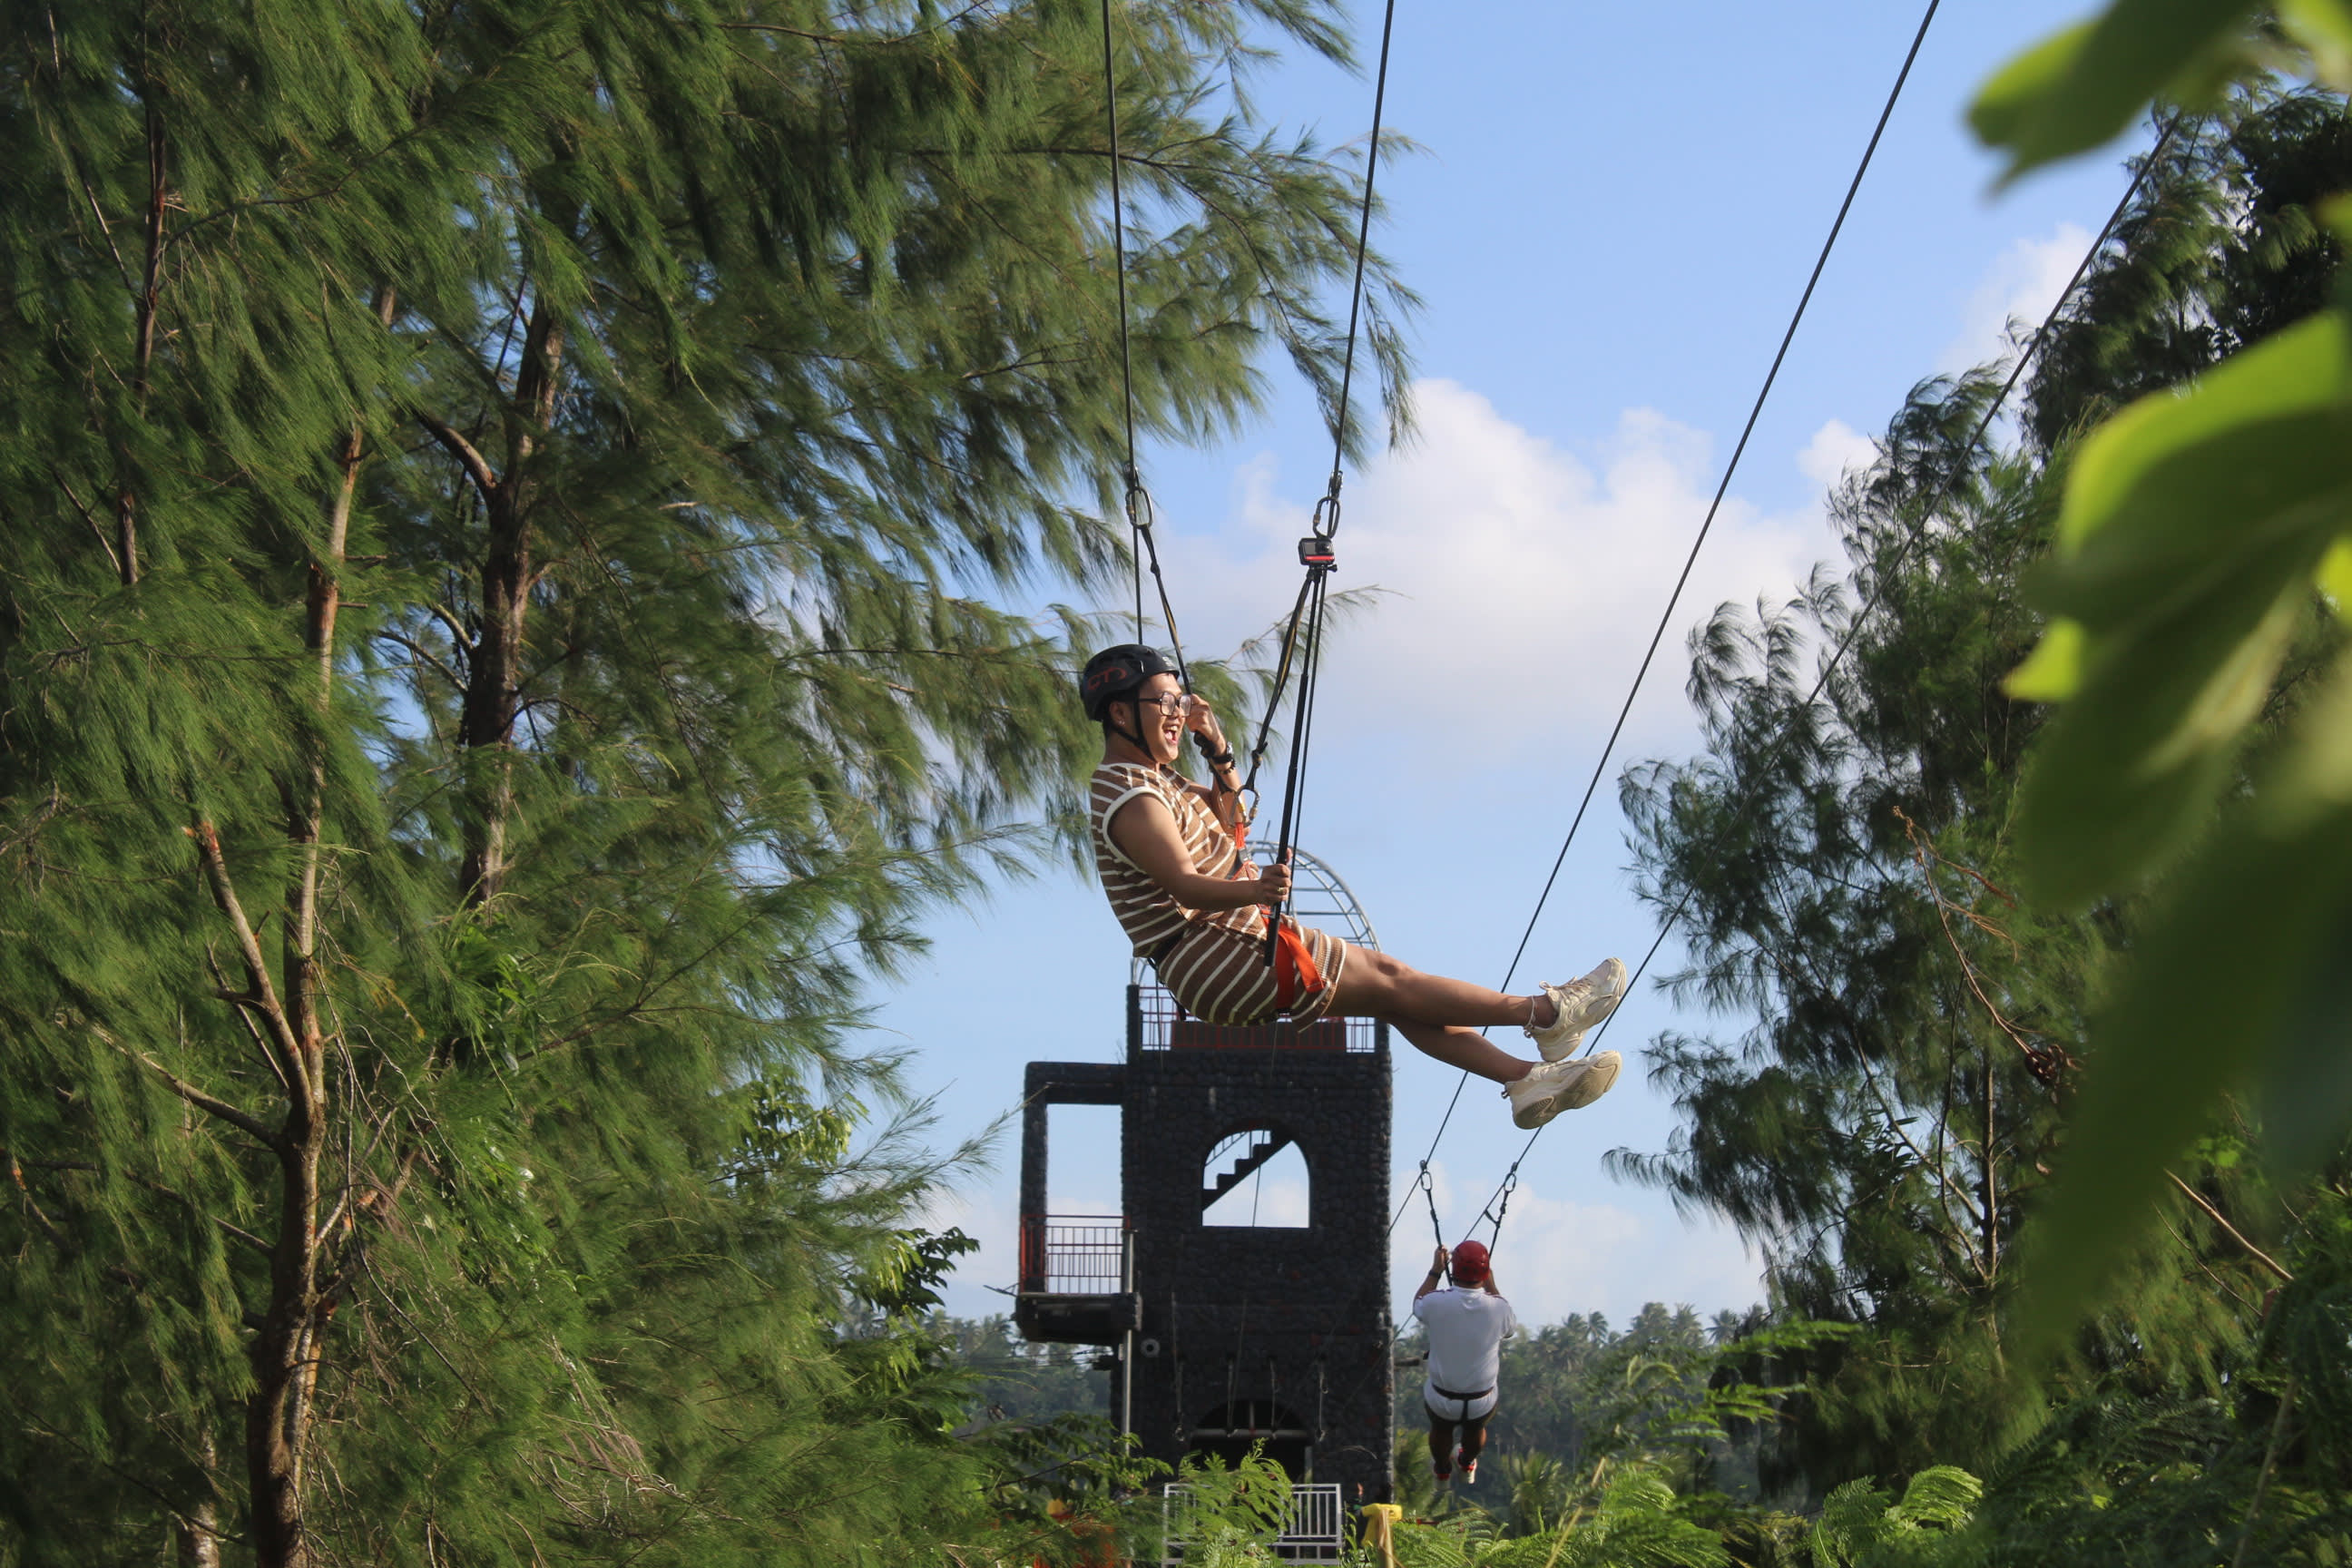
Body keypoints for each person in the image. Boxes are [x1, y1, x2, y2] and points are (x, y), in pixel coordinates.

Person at [1081, 643, 1623, 1130]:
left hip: (1226, 950)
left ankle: (1526, 1079)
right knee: (1392, 978)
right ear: (1121, 713)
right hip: (1218, 953)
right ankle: (1545, 1013)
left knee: (1396, 1000)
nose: (1178, 714)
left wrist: (1218, 747)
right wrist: (1256, 891)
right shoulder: (1132, 794)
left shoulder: (1159, 780)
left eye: (1181, 702)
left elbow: (1233, 817)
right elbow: (1185, 885)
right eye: (1164, 702)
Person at [1413, 1240, 1514, 1485]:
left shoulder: (1435, 1302)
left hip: (1442, 1399)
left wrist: (1436, 1270)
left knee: (1441, 1427)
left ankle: (1442, 1469)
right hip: (1481, 1401)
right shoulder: (1499, 1308)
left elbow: (1418, 1304)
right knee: (1476, 1427)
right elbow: (1508, 1326)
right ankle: (1467, 1461)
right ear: (1485, 1272)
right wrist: (1490, 1282)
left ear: (1454, 1269)